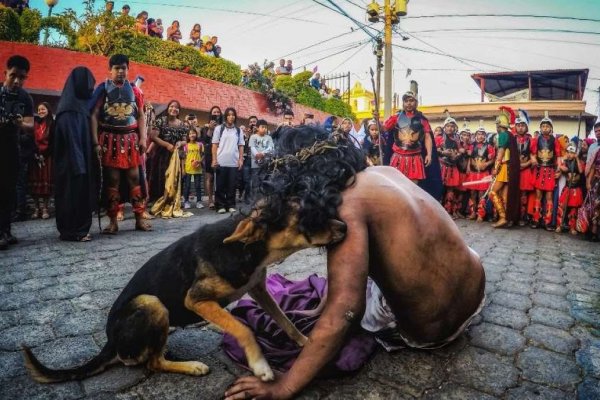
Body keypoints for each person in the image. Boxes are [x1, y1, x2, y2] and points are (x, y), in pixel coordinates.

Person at [224, 125, 485, 400]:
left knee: (343, 298)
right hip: (476, 285)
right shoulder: (383, 171)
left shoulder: (346, 207)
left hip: (433, 330)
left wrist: (285, 386)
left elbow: (346, 310)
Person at [90, 54, 151, 234]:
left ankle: (139, 219)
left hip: (131, 139)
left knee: (135, 178)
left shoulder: (135, 91)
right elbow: (93, 114)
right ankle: (113, 222)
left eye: (123, 68)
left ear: (128, 69)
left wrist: (142, 138)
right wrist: (95, 142)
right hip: (109, 139)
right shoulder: (102, 89)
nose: (120, 71)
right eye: (117, 68)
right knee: (112, 180)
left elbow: (140, 115)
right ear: (110, 70)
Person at [53, 67, 97, 242]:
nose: (91, 89)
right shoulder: (70, 110)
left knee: (74, 195)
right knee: (72, 195)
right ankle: (74, 231)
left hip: (78, 162)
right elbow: (72, 140)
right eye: (88, 85)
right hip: (73, 165)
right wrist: (80, 166)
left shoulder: (77, 106)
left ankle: (74, 230)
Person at [0, 55, 34, 250]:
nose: (16, 81)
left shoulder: (25, 97)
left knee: (9, 190)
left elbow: (30, 123)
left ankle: (5, 230)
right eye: (13, 76)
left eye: (21, 77)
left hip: (13, 148)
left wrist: (18, 122)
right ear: (5, 73)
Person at [385, 91, 432, 184]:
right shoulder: (395, 118)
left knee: (413, 187)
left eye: (411, 100)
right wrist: (377, 120)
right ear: (403, 103)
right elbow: (384, 128)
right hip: (398, 156)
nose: (409, 103)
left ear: (416, 103)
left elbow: (427, 136)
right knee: (396, 185)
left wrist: (429, 154)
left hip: (414, 157)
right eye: (406, 101)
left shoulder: (422, 119)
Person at [147, 100, 188, 203]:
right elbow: (153, 137)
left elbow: (185, 140)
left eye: (176, 108)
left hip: (176, 156)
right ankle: (159, 203)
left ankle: (172, 202)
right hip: (161, 155)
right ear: (168, 108)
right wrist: (166, 145)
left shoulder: (182, 125)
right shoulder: (161, 121)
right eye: (171, 106)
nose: (174, 109)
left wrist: (180, 143)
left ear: (179, 111)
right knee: (161, 178)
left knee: (175, 179)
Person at [488, 107, 520, 228]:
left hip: (505, 167)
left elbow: (500, 153)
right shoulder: (510, 135)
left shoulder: (502, 135)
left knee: (493, 192)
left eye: (497, 124)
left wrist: (495, 168)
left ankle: (503, 217)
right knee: (506, 196)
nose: (496, 126)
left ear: (500, 125)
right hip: (510, 168)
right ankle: (509, 218)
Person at [530, 113, 561, 230]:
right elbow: (532, 153)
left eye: (547, 126)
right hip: (539, 170)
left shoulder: (555, 140)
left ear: (551, 128)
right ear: (540, 128)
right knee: (538, 195)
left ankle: (547, 222)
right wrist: (533, 160)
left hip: (550, 170)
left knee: (549, 196)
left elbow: (558, 155)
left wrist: (558, 167)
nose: (545, 128)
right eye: (543, 126)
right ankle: (536, 219)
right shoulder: (536, 140)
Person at [211, 107, 244, 214]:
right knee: (220, 185)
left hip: (233, 162)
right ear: (225, 116)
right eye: (229, 115)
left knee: (232, 185)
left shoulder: (239, 131)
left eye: (233, 115)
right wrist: (214, 159)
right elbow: (214, 145)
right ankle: (220, 205)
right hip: (221, 161)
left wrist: (240, 160)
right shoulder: (219, 129)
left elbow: (241, 146)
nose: (231, 117)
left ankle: (230, 204)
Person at [29, 102, 54, 220]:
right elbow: (31, 139)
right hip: (35, 157)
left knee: (46, 184)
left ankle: (45, 208)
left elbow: (53, 141)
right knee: (34, 183)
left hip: (47, 157)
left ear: (48, 110)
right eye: (39, 110)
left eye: (43, 109)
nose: (40, 112)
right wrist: (36, 154)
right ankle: (36, 208)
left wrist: (44, 155)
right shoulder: (35, 123)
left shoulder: (52, 124)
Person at [466, 124, 495, 221]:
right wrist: (468, 168)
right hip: (473, 173)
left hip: (483, 173)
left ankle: (480, 214)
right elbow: (470, 158)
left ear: (485, 136)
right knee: (472, 193)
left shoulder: (489, 146)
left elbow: (492, 159)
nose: (480, 136)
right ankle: (473, 212)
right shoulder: (471, 146)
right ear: (476, 135)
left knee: (481, 194)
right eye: (479, 134)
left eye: (482, 134)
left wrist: (487, 163)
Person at [436, 116, 463, 219]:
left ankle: (448, 211)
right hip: (441, 166)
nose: (450, 128)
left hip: (452, 166)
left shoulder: (456, 140)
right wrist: (443, 152)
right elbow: (434, 149)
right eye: (448, 126)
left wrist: (457, 154)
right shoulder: (439, 138)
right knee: (440, 189)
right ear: (444, 127)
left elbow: (460, 151)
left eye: (452, 126)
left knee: (450, 190)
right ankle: (438, 211)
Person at [555, 144, 584, 234]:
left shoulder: (579, 161)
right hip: (567, 187)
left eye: (572, 153)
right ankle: (559, 225)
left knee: (574, 209)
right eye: (568, 152)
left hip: (575, 189)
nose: (570, 154)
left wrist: (577, 159)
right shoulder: (565, 161)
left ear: (575, 153)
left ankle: (572, 227)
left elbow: (580, 171)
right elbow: (562, 168)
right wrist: (564, 167)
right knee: (561, 207)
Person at [515, 109, 534, 226]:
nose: (520, 128)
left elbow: (533, 157)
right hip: (514, 171)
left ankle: (523, 217)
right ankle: (514, 216)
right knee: (514, 193)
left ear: (526, 127)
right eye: (518, 125)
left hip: (526, 170)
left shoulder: (532, 140)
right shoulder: (512, 139)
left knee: (523, 195)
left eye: (523, 125)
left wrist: (525, 165)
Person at [201, 106, 222, 209]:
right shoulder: (206, 127)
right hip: (209, 153)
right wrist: (210, 128)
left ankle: (219, 198)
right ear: (211, 114)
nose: (216, 114)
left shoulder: (223, 126)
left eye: (218, 112)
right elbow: (205, 140)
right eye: (214, 112)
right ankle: (210, 199)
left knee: (220, 177)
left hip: (221, 153)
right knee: (210, 177)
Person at [249, 119, 273, 198]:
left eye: (266, 127)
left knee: (264, 181)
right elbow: (252, 147)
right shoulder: (253, 137)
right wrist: (257, 154)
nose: (264, 129)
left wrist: (263, 153)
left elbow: (271, 148)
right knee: (255, 182)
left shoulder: (269, 137)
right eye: (262, 127)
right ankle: (255, 200)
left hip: (266, 165)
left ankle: (263, 199)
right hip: (255, 165)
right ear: (257, 128)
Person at [182, 127, 204, 209]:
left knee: (198, 186)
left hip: (198, 169)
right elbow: (184, 158)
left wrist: (199, 161)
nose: (192, 135)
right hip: (188, 169)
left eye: (193, 133)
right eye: (190, 133)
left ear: (196, 134)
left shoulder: (200, 144)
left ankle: (198, 201)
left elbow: (203, 155)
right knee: (187, 186)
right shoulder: (186, 146)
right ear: (188, 136)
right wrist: (183, 169)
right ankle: (186, 201)